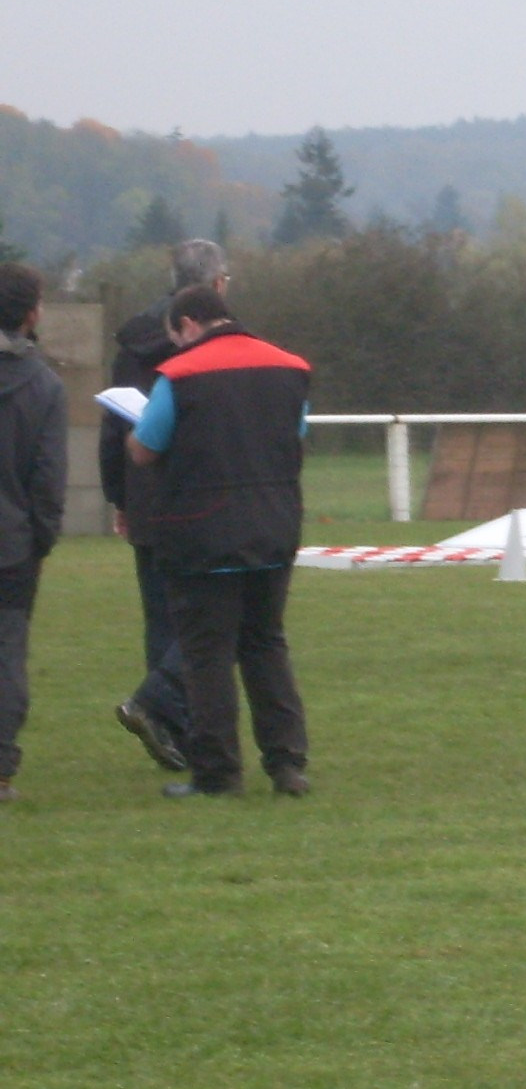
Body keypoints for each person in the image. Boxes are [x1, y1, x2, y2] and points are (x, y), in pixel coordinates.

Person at [127, 284, 314, 798]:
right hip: (274, 526)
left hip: (201, 533)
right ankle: (287, 765)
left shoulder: (179, 375)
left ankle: (218, 773)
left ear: (188, 324)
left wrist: (131, 434)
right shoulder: (290, 368)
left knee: (206, 654)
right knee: (266, 644)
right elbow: (294, 436)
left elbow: (145, 448)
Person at [97, 240, 229, 773]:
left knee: (160, 618)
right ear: (216, 285)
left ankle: (169, 729)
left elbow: (113, 429)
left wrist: (119, 496)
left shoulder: (133, 340)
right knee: (211, 615)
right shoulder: (219, 339)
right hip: (201, 493)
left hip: (146, 494)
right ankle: (168, 714)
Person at [0, 263, 68, 802]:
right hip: (12, 544)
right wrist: (39, 537)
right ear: (30, 315)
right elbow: (48, 479)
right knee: (6, 653)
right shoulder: (43, 385)